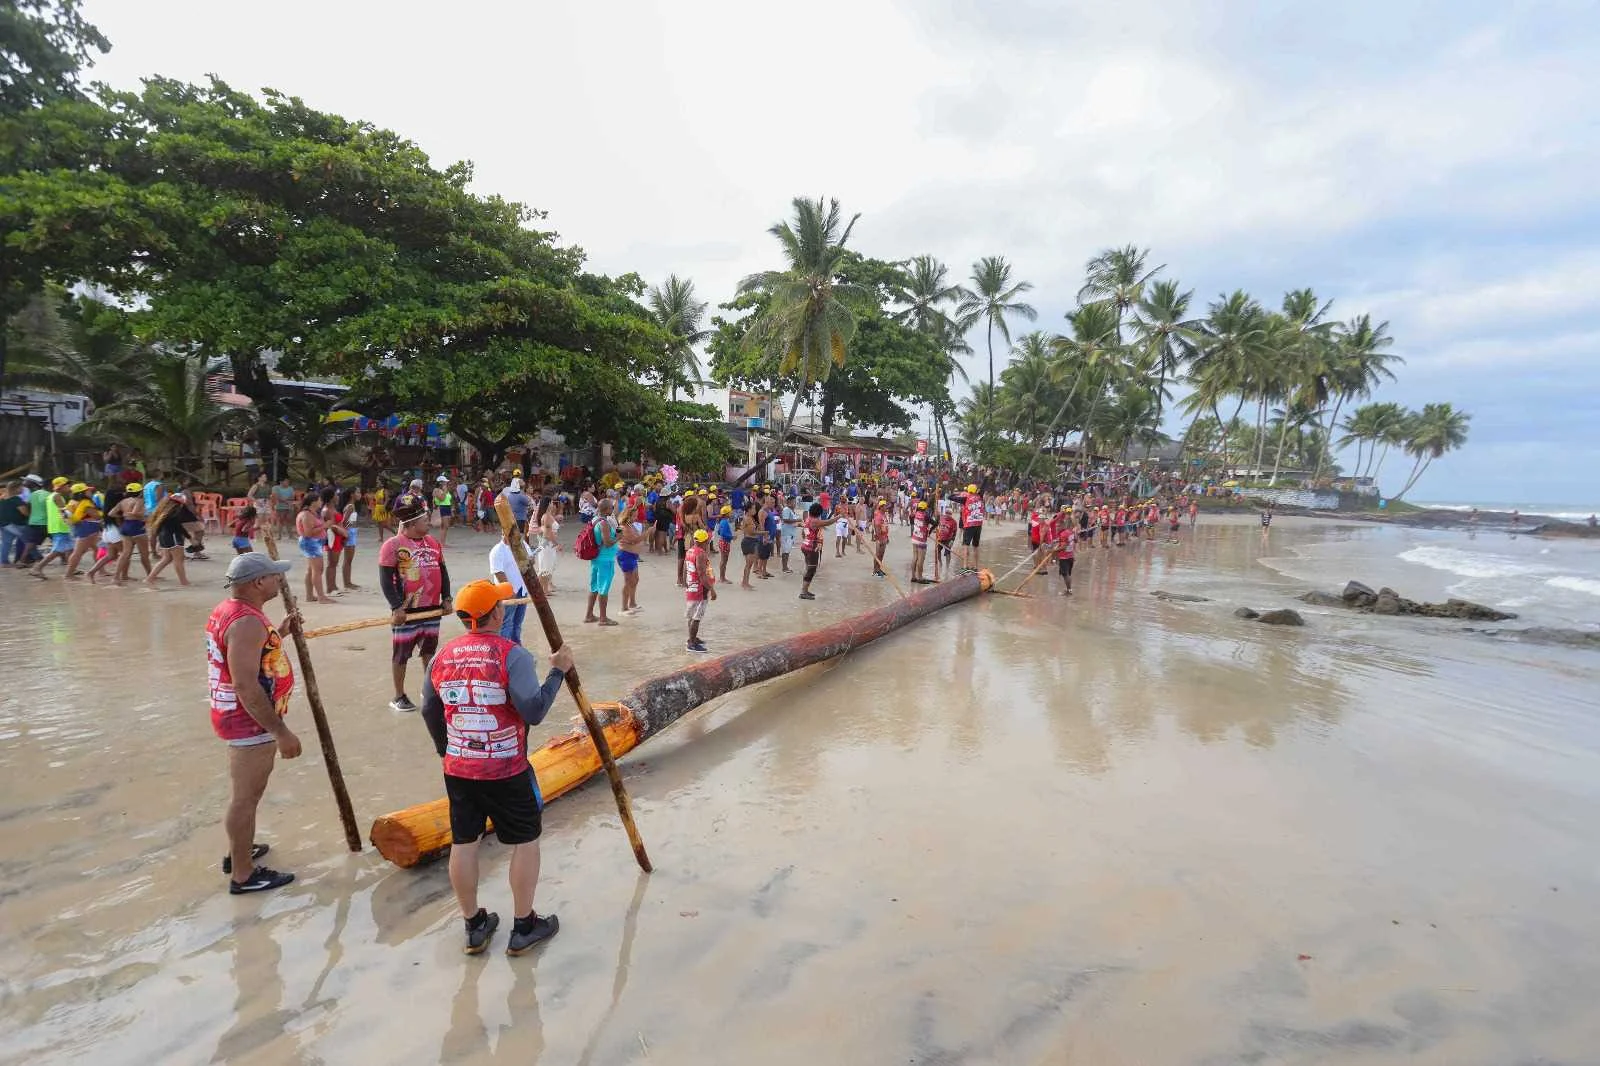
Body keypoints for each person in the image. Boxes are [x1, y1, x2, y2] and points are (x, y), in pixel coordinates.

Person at [420, 579, 572, 955]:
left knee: (465, 841)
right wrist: (559, 672)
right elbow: (533, 711)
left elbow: (429, 709)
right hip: (506, 769)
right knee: (525, 840)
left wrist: (445, 747)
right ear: (498, 613)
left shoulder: (443, 656)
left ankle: (474, 925)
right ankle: (523, 926)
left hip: (458, 768)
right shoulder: (511, 654)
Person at [207, 552, 302, 894]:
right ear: (258, 582)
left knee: (248, 794)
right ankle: (243, 874)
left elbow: (254, 655)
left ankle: (241, 850)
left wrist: (280, 634)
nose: (280, 580)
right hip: (248, 719)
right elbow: (245, 683)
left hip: (241, 715)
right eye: (275, 576)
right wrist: (280, 731)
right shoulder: (246, 622)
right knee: (245, 797)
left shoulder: (234, 612)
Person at [379, 501, 451, 713]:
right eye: (424, 520)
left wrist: (446, 598)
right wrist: (396, 607)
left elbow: (443, 571)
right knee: (401, 655)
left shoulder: (433, 543)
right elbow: (385, 579)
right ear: (411, 524)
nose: (429, 522)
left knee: (429, 652)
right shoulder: (392, 545)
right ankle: (399, 695)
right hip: (406, 612)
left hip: (431, 609)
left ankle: (430, 691)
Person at [488, 524, 531, 644]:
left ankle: (516, 645)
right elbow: (498, 572)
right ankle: (504, 647)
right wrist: (509, 591)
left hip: (522, 589)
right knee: (506, 623)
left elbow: (529, 562)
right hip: (507, 593)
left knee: (517, 623)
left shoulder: (522, 545)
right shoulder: (497, 550)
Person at [583, 498, 620, 626]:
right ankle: (603, 618)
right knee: (603, 589)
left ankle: (589, 615)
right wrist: (618, 538)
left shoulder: (595, 520)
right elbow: (607, 542)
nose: (612, 509)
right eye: (611, 507)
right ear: (606, 509)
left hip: (596, 559)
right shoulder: (604, 523)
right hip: (605, 559)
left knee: (594, 588)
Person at [27, 477, 72, 580]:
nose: (69, 487)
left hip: (56, 526)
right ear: (62, 486)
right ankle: (37, 568)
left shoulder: (51, 496)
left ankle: (72, 568)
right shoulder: (57, 496)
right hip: (60, 526)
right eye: (67, 485)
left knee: (70, 548)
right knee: (57, 550)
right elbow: (64, 512)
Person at [293, 495, 333, 604]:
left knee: (312, 570)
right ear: (313, 502)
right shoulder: (306, 514)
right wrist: (325, 526)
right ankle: (321, 597)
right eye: (319, 500)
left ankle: (310, 595)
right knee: (317, 570)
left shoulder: (312, 513)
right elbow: (308, 533)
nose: (321, 502)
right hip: (311, 543)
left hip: (315, 542)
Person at [684, 528, 717, 652]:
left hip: (691, 587)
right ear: (704, 542)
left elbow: (685, 569)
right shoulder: (701, 554)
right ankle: (692, 644)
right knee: (697, 617)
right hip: (699, 589)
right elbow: (702, 575)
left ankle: (692, 638)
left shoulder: (690, 551)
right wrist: (712, 590)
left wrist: (685, 582)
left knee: (691, 616)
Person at [63, 483, 103, 580]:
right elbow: (97, 516)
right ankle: (68, 575)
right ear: (82, 493)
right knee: (78, 552)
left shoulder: (73, 502)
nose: (90, 492)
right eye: (88, 491)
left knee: (96, 549)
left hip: (81, 527)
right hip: (88, 528)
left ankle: (102, 571)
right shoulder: (86, 503)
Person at [617, 502, 646, 616]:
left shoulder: (630, 525)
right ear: (627, 516)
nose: (636, 517)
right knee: (628, 581)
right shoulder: (623, 526)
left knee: (635, 579)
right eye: (634, 516)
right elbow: (635, 540)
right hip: (625, 555)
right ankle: (623, 608)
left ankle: (632, 603)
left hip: (632, 555)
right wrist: (648, 532)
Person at [798, 502, 824, 600]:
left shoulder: (808, 519)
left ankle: (805, 590)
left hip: (806, 545)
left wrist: (807, 539)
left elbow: (803, 533)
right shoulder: (815, 521)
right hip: (812, 547)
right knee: (811, 569)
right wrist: (838, 517)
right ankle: (803, 592)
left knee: (808, 568)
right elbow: (827, 522)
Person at [0, 481, 30, 566]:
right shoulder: (16, 499)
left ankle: (4, 562)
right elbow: (24, 512)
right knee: (28, 541)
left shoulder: (2, 498)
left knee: (6, 543)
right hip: (15, 524)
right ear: (16, 489)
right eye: (21, 488)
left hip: (4, 524)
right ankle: (37, 559)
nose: (23, 489)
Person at [1049, 505, 1077, 595]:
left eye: (1058, 526)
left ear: (1063, 525)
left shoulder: (1064, 534)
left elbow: (1064, 547)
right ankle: (1069, 589)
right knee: (1068, 574)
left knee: (1065, 575)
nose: (1057, 528)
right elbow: (1075, 540)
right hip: (1070, 556)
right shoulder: (1071, 532)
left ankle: (1069, 591)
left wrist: (1053, 551)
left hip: (1065, 557)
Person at [909, 500, 931, 583]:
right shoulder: (926, 516)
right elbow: (935, 523)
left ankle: (913, 576)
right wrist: (930, 531)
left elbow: (911, 519)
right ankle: (920, 577)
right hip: (922, 540)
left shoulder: (915, 514)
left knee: (915, 558)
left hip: (914, 538)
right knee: (921, 559)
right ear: (925, 509)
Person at [870, 499, 890, 577]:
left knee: (881, 554)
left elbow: (885, 525)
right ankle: (875, 570)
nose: (886, 507)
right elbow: (877, 528)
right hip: (880, 537)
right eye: (885, 506)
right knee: (878, 554)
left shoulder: (883, 514)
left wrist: (887, 537)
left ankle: (878, 568)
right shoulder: (879, 515)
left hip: (884, 536)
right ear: (881, 507)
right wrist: (879, 538)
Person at [714, 504, 735, 583]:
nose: (731, 513)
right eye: (730, 512)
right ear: (726, 514)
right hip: (725, 542)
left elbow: (719, 532)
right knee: (724, 561)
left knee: (723, 561)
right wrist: (731, 537)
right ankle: (722, 578)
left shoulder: (722, 521)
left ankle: (722, 577)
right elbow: (723, 533)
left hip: (723, 541)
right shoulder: (725, 522)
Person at [432, 475, 454, 546]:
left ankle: (443, 542)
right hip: (442, 507)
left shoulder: (445, 490)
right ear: (441, 483)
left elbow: (449, 499)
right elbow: (442, 498)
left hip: (447, 507)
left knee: (446, 526)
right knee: (444, 526)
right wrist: (444, 491)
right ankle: (442, 543)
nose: (446, 483)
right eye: (444, 482)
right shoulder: (436, 490)